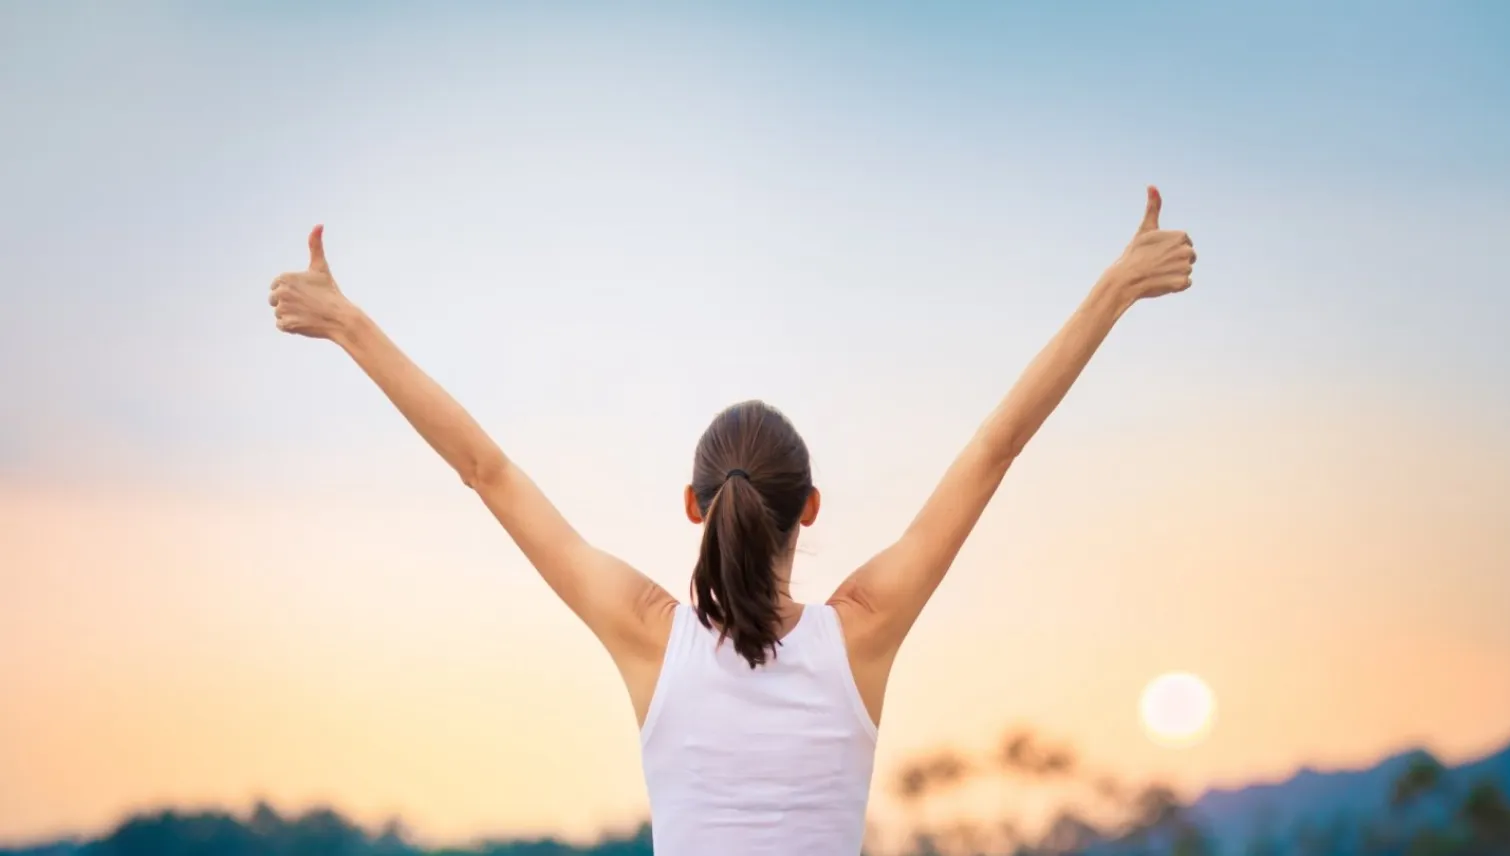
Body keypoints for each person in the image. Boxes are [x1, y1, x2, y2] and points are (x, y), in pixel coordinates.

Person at [267, 186, 1195, 855]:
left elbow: (487, 470)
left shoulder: (648, 635)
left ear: (693, 507)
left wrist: (349, 326)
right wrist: (1115, 290)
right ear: (810, 509)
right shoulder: (863, 633)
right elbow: (996, 448)